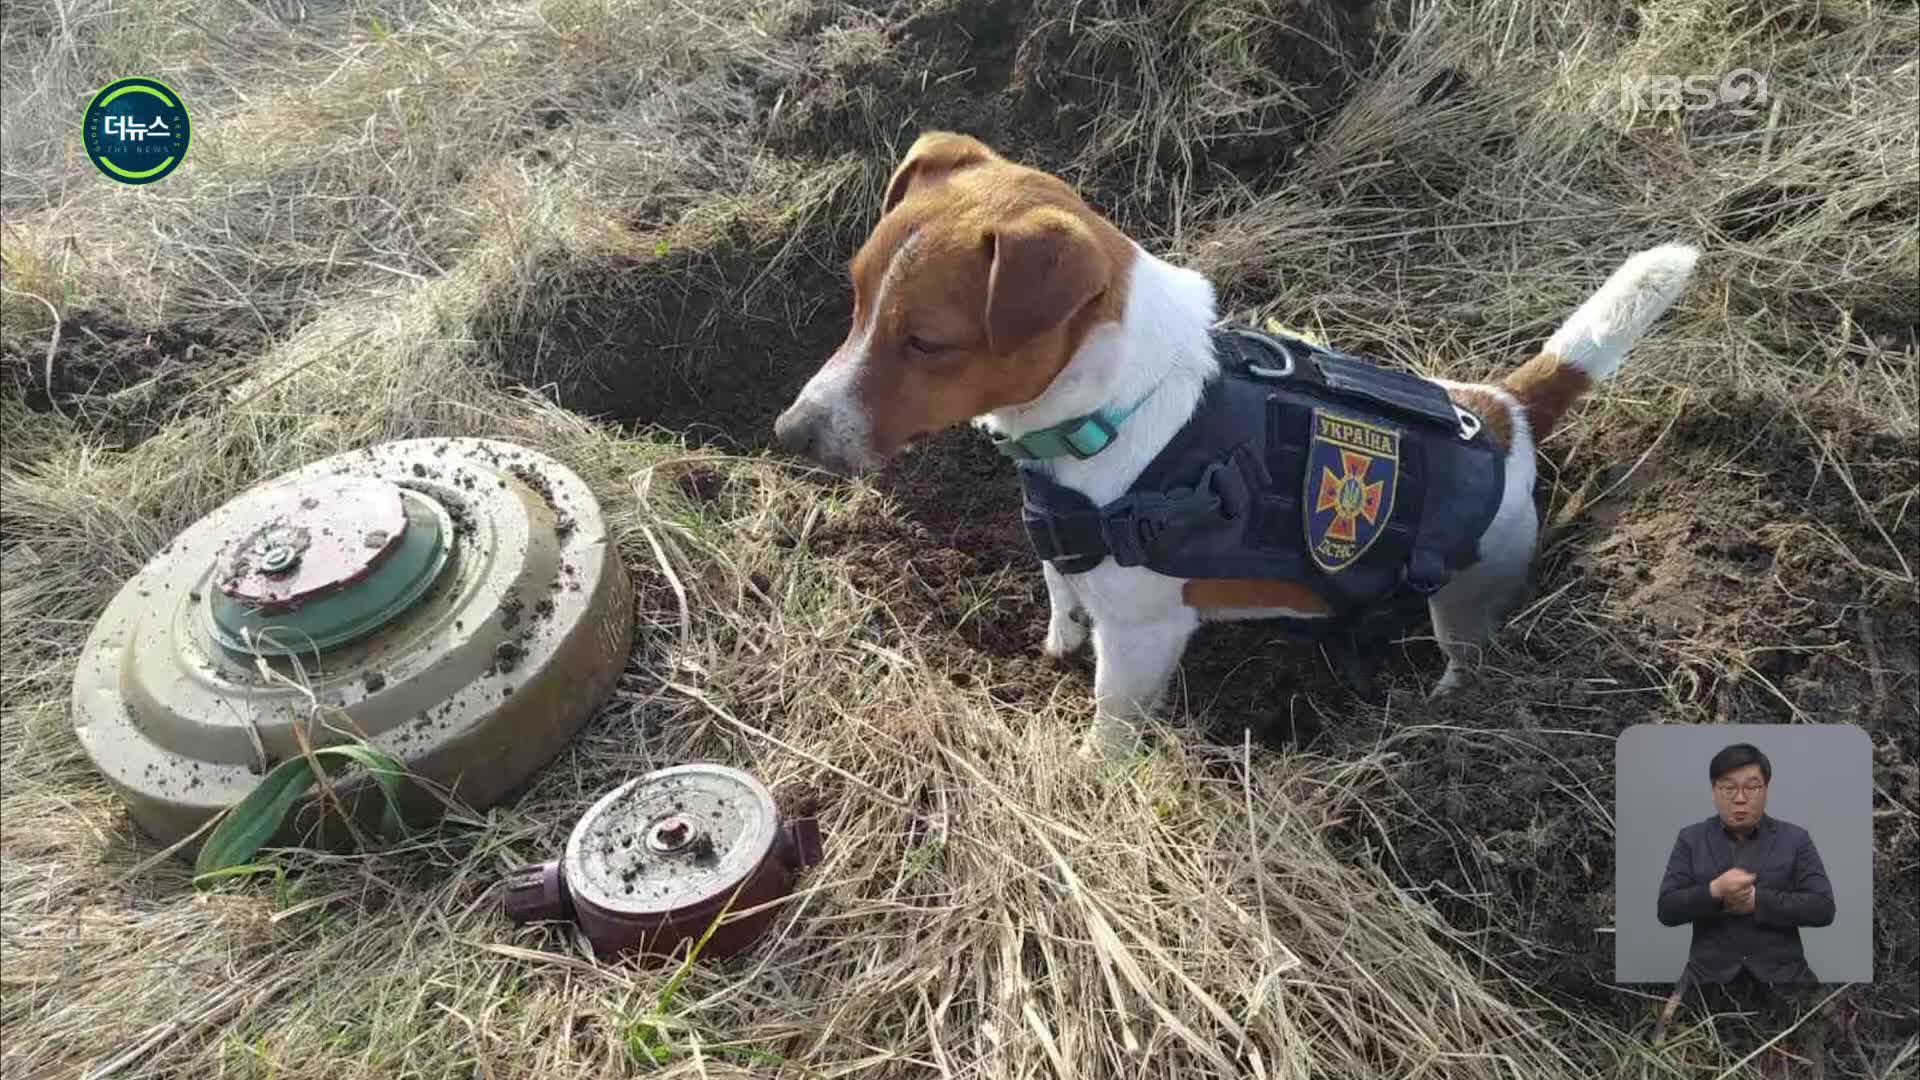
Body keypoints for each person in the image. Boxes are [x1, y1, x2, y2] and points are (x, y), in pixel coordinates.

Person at [1656, 742, 1835, 1076]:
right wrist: (1714, 891)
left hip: (1786, 980)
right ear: (1714, 791)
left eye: (1751, 787)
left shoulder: (1795, 839)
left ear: (1765, 789)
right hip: (1708, 981)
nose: (1740, 798)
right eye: (1728, 788)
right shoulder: (1691, 839)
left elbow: (1823, 907)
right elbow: (1667, 909)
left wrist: (1758, 902)